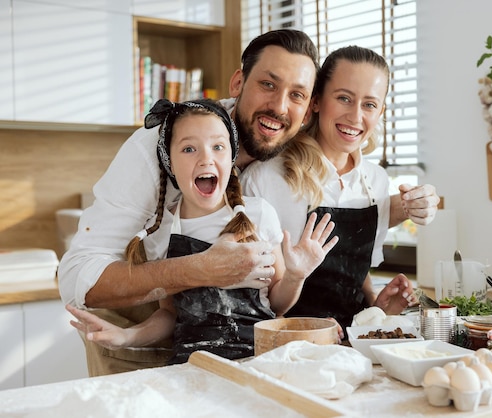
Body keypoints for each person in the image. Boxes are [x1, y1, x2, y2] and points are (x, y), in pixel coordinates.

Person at [58, 29, 438, 375]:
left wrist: (408, 205)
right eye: (267, 85)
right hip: (134, 329)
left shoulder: (287, 146)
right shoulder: (162, 143)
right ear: (238, 81)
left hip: (243, 352)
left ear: (310, 106)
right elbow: (77, 278)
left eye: (297, 95)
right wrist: (199, 270)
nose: (279, 107)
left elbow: (337, 202)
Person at [67, 98, 338, 363]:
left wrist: (296, 275)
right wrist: (126, 337)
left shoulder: (260, 214)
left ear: (231, 156)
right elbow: (169, 317)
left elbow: (277, 305)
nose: (206, 158)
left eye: (218, 147)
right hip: (195, 365)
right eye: (189, 149)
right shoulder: (162, 234)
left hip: (259, 360)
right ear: (169, 162)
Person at [241, 46, 420, 334]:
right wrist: (311, 328)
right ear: (316, 101)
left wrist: (378, 308)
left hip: (352, 344)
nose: (355, 116)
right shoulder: (267, 178)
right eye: (344, 98)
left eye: (370, 104)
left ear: (381, 111)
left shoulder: (375, 180)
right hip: (292, 345)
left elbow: (354, 278)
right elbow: (255, 303)